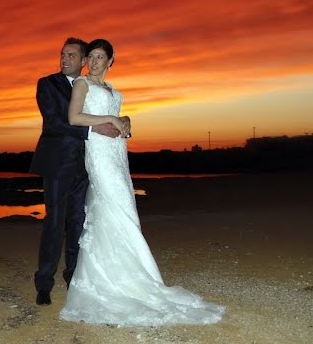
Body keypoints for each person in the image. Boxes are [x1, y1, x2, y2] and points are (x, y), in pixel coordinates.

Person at [60, 38, 225, 325]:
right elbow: (74, 117)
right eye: (92, 57)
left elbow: (118, 122)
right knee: (111, 206)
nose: (95, 62)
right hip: (99, 156)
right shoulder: (81, 85)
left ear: (111, 61)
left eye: (101, 57)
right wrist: (112, 117)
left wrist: (125, 121)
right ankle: (111, 283)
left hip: (118, 155)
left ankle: (129, 275)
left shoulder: (115, 91)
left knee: (125, 208)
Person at [29, 38, 122, 306]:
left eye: (71, 55)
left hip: (85, 165)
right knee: (54, 222)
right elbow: (54, 122)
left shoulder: (90, 87)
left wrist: (118, 124)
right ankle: (44, 284)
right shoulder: (47, 84)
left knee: (78, 223)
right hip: (57, 163)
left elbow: (103, 113)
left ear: (83, 61)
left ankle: (73, 279)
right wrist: (94, 128)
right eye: (62, 54)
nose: (64, 59)